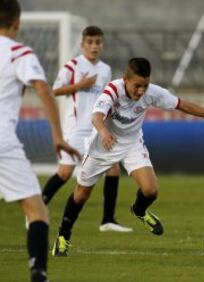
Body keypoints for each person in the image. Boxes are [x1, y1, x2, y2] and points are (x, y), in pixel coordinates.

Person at [52, 57, 204, 256]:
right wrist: (103, 132)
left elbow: (182, 104)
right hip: (103, 146)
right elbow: (96, 116)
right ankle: (63, 235)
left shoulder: (152, 92)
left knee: (150, 190)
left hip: (131, 145)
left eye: (144, 86)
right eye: (137, 86)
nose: (140, 91)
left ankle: (139, 210)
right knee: (81, 194)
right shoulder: (113, 90)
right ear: (125, 79)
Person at [0, 0, 80, 281]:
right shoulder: (19, 52)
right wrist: (58, 136)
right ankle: (38, 274)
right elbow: (44, 90)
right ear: (18, 23)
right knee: (37, 211)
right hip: (3, 142)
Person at [41, 26, 132, 233]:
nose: (94, 46)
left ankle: (107, 220)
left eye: (98, 42)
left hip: (96, 129)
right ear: (82, 44)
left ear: (102, 44)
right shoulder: (72, 66)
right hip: (75, 129)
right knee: (65, 173)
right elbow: (52, 90)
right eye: (90, 42)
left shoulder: (105, 69)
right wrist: (79, 85)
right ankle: (35, 211)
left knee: (114, 169)